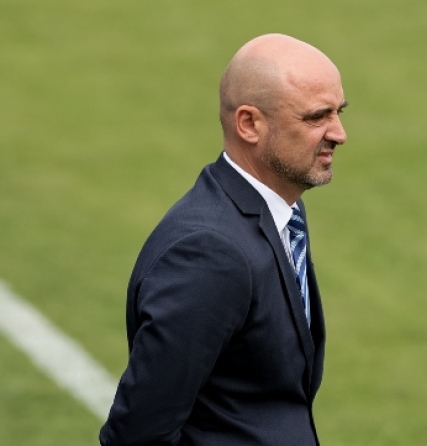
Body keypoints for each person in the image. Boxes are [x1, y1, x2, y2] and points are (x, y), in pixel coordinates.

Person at [99, 33, 348, 446]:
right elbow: (139, 434)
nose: (339, 133)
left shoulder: (282, 213)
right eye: (316, 117)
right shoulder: (208, 253)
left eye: (338, 112)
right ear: (249, 124)